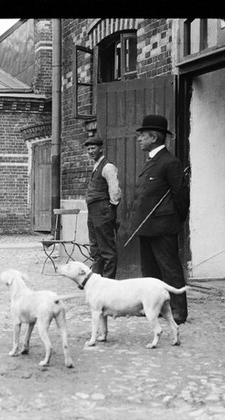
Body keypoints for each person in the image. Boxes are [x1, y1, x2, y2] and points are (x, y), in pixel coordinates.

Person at [132, 115, 189, 324]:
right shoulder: (152, 161)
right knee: (149, 272)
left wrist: (173, 221)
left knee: (170, 269)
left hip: (163, 226)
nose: (139, 139)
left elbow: (181, 198)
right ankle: (153, 308)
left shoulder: (169, 162)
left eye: (142, 136)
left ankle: (178, 311)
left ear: (154, 137)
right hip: (146, 225)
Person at [83, 136, 121, 279]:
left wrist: (110, 208)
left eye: (93, 148)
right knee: (95, 249)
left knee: (107, 250)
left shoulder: (107, 166)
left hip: (102, 210)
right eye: (88, 149)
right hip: (93, 211)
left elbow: (115, 190)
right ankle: (97, 281)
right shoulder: (96, 165)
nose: (91, 151)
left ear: (101, 149)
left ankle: (108, 283)